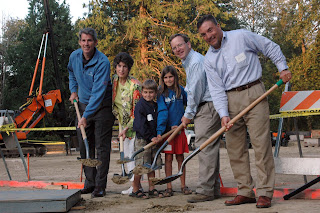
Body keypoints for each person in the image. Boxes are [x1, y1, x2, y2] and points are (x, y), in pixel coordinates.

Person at [197, 14, 292, 208]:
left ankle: (264, 192)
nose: (208, 36)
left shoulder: (241, 36)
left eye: (210, 30)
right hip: (230, 100)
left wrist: (282, 67)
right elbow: (216, 89)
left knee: (261, 144)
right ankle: (245, 191)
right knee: (235, 149)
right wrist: (223, 114)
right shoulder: (208, 60)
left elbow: (270, 47)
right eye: (203, 34)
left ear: (218, 26)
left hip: (254, 93)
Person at [169, 34, 221, 203]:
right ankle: (213, 189)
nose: (178, 49)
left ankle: (205, 190)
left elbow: (195, 91)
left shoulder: (196, 62)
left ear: (189, 44)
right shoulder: (191, 62)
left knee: (204, 147)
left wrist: (188, 115)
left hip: (206, 106)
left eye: (180, 45)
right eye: (174, 47)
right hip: (206, 106)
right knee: (209, 148)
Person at [68, 27, 115, 198]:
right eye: (83, 40)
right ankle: (90, 182)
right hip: (82, 104)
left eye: (90, 40)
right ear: (80, 42)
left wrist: (86, 116)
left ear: (95, 42)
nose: (86, 43)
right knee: (84, 146)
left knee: (102, 147)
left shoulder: (103, 62)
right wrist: (73, 90)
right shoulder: (74, 56)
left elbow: (98, 93)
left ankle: (100, 186)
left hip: (101, 106)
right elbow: (71, 73)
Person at [156, 65, 191, 197]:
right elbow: (162, 113)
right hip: (168, 132)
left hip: (180, 130)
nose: (168, 80)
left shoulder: (180, 91)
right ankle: (169, 186)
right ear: (162, 79)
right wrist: (165, 128)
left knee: (180, 157)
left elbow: (190, 105)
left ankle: (183, 185)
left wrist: (186, 120)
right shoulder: (161, 93)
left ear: (175, 77)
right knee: (169, 158)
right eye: (166, 77)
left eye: (171, 77)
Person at [111, 52, 142, 195]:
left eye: (124, 66)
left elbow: (137, 111)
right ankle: (134, 185)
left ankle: (135, 186)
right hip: (122, 124)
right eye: (119, 66)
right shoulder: (114, 81)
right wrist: (120, 126)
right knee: (126, 155)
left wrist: (127, 128)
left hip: (134, 126)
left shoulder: (134, 86)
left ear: (129, 68)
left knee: (132, 156)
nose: (121, 69)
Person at [131, 79, 163, 199]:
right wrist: (150, 137)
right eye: (145, 92)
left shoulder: (155, 106)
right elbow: (140, 125)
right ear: (142, 92)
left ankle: (152, 188)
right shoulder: (140, 106)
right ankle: (135, 189)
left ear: (155, 93)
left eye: (150, 92)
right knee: (140, 165)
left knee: (151, 165)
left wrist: (158, 135)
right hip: (143, 140)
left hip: (153, 140)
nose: (148, 95)